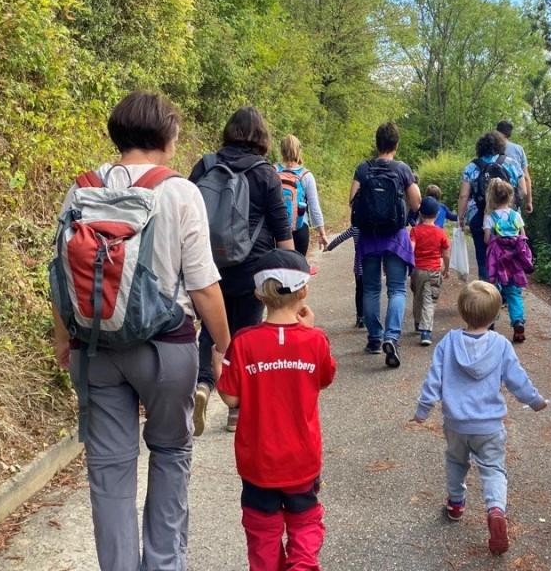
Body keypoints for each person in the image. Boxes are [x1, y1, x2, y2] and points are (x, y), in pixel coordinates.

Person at [51, 91, 231, 571]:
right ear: (167, 136)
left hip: (96, 347)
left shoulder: (82, 189)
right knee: (171, 451)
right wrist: (223, 345)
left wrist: (63, 339)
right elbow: (204, 287)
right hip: (166, 350)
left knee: (109, 470)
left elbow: (60, 274)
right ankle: (164, 564)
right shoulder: (178, 191)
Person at [217, 249, 337, 571]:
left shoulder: (243, 342)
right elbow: (324, 378)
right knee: (305, 522)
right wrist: (309, 331)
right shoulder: (316, 340)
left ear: (259, 293)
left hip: (258, 461)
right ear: (304, 291)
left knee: (262, 531)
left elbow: (230, 398)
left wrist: (218, 367)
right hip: (302, 458)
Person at [412, 281, 547, 556]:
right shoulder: (500, 345)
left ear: (462, 311)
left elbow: (433, 380)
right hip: (489, 425)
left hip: (456, 423)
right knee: (493, 468)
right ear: (497, 314)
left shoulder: (448, 343)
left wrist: (423, 409)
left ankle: (456, 504)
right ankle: (496, 509)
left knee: (455, 461)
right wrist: (535, 401)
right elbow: (517, 380)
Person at [189, 107, 294, 433]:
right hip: (253, 267)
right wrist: (290, 284)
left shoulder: (206, 165)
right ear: (262, 136)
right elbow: (283, 233)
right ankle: (238, 410)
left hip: (208, 265)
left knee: (210, 328)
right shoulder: (266, 174)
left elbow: (187, 215)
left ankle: (203, 385)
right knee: (246, 335)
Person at [350, 122, 421, 368]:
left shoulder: (363, 168)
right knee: (397, 289)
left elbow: (352, 200)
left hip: (369, 237)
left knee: (370, 289)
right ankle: (391, 337)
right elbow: (416, 202)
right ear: (396, 144)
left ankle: (373, 338)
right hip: (395, 236)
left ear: (376, 142)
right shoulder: (402, 169)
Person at [456, 131, 526, 281]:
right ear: (501, 146)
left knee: (483, 258)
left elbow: (464, 195)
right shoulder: (511, 163)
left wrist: (461, 217)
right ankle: (505, 292)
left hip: (480, 216)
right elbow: (523, 191)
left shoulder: (472, 167)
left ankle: (487, 295)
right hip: (508, 217)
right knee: (508, 256)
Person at [483, 179, 533, 344]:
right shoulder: (516, 215)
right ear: (510, 197)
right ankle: (518, 322)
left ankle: (490, 321)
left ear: (492, 198)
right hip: (515, 262)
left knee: (494, 291)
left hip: (498, 261)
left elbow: (487, 239)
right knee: (514, 292)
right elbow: (522, 236)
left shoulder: (490, 216)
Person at [276, 134, 328, 257]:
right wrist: (322, 233)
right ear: (299, 150)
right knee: (298, 271)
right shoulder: (306, 175)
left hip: (277, 230)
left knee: (278, 270)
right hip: (299, 228)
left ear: (282, 150)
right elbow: (314, 207)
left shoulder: (273, 171)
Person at [410, 197, 451, 346]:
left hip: (417, 270)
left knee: (417, 296)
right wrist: (446, 269)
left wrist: (409, 265)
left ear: (420, 213)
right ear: (437, 214)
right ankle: (426, 331)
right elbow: (446, 253)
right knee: (429, 300)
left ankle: (417, 322)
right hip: (434, 270)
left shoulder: (415, 231)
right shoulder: (440, 232)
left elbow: (411, 248)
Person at [324, 225, 364, 328]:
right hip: (373, 266)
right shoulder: (373, 225)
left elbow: (341, 238)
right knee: (371, 292)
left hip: (359, 267)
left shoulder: (355, 228)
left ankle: (360, 317)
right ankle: (371, 317)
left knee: (359, 292)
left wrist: (329, 247)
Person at [496, 120, 533, 214]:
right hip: (512, 199)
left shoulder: (490, 147)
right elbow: (526, 178)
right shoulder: (518, 150)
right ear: (510, 134)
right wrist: (529, 201)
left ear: (496, 132)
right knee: (513, 225)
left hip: (493, 198)